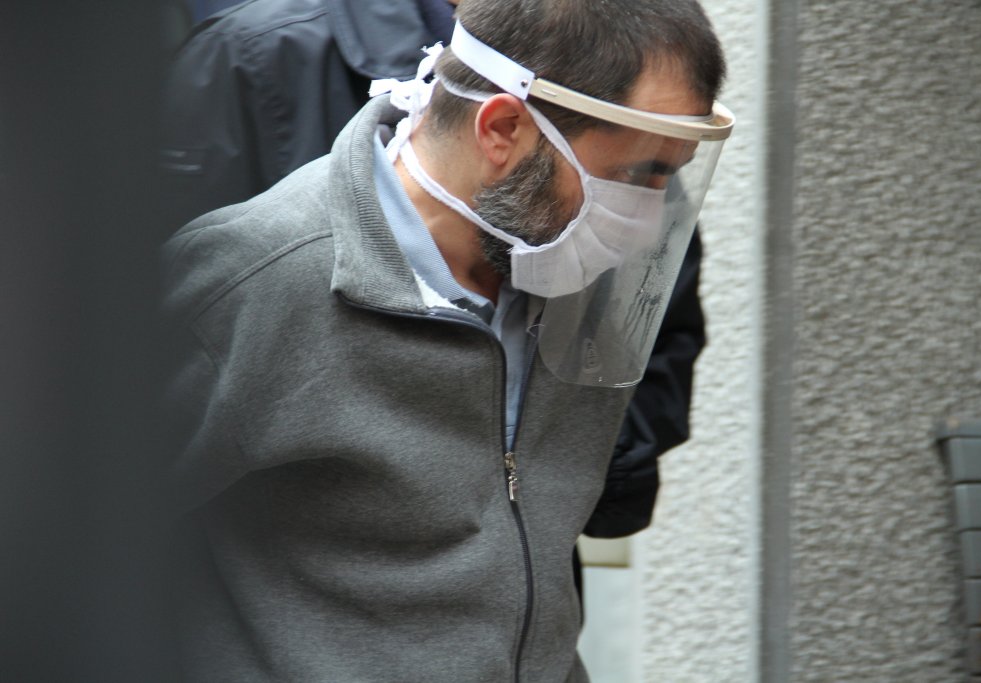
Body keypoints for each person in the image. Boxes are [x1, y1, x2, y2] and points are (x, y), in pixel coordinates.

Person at [160, 0, 732, 679]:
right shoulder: (254, 279)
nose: (648, 222)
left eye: (672, 174)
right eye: (639, 175)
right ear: (503, 129)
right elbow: (70, 543)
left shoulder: (571, 267)